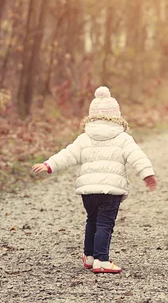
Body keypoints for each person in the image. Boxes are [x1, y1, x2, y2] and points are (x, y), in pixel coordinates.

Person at [32, 86, 158, 274]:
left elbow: (67, 154)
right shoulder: (123, 138)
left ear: (91, 117)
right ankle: (102, 260)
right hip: (111, 190)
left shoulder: (84, 138)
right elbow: (137, 157)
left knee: (92, 220)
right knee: (105, 224)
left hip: (88, 191)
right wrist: (147, 174)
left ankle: (89, 256)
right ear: (117, 116)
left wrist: (49, 165)